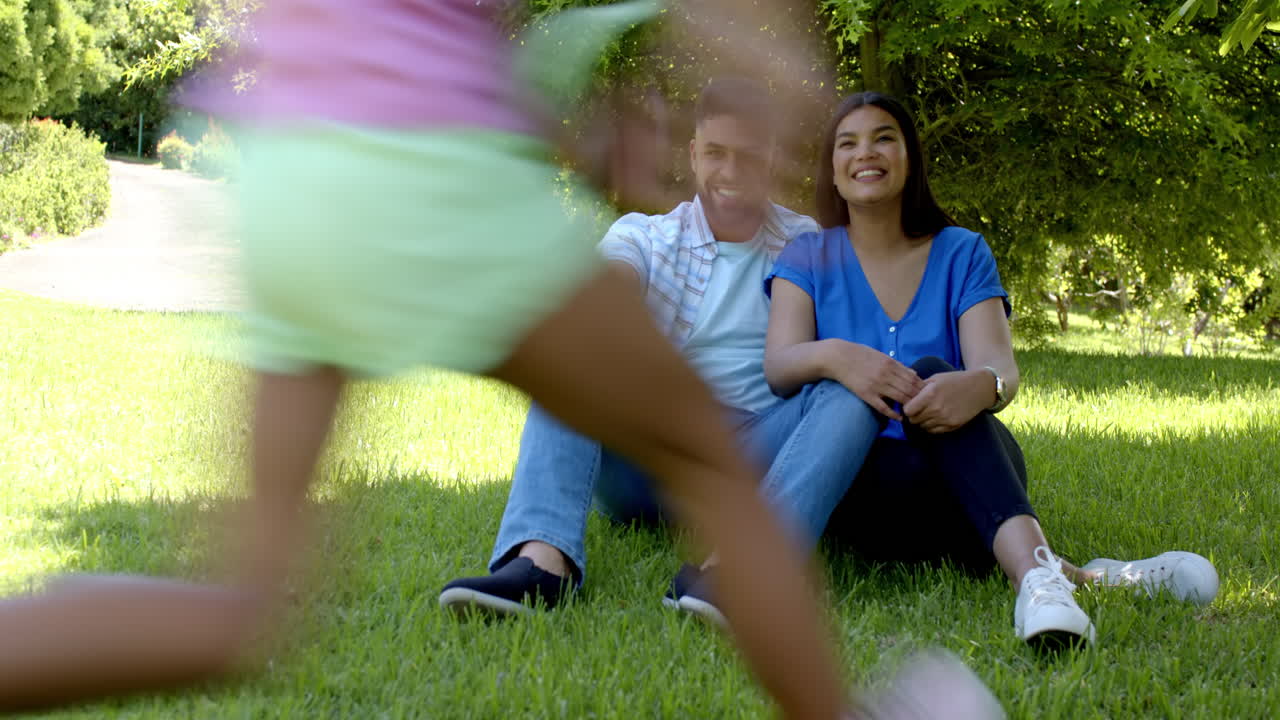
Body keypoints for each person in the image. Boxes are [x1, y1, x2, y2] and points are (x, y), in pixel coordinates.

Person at [0, 2, 863, 716]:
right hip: (423, 159)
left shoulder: (797, 241)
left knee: (241, 612)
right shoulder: (657, 233)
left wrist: (562, 131)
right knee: (714, 469)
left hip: (293, 180)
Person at [763, 91, 1219, 647]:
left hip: (960, 473)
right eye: (848, 143)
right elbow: (780, 367)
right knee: (922, 381)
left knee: (936, 370)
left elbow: (1000, 369)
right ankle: (1080, 576)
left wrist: (979, 387)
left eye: (884, 138)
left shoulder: (963, 251)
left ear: (910, 158)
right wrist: (838, 355)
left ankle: (1041, 588)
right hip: (859, 491)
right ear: (832, 169)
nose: (867, 153)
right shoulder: (806, 255)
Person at [440, 77, 881, 627]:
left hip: (751, 458)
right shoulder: (645, 236)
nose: (730, 172)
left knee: (848, 388)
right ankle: (542, 564)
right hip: (650, 458)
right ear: (694, 155)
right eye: (716, 153)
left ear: (770, 158)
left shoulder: (806, 241)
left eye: (748, 156)